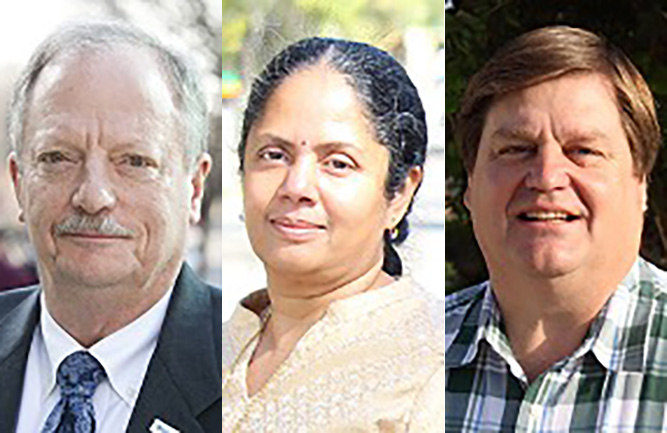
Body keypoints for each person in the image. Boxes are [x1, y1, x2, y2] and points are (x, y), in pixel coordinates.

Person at [0, 21, 221, 432]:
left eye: (134, 161)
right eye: (58, 158)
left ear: (193, 189)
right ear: (20, 181)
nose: (94, 196)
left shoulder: (244, 359)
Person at [446, 25, 667, 431]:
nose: (546, 177)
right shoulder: (400, 358)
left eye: (583, 151)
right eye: (515, 150)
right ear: (471, 185)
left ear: (641, 185)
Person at [221, 37, 444, 431]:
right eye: (274, 155)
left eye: (338, 163)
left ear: (400, 194)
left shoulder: (431, 373)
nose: (297, 186)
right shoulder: (210, 346)